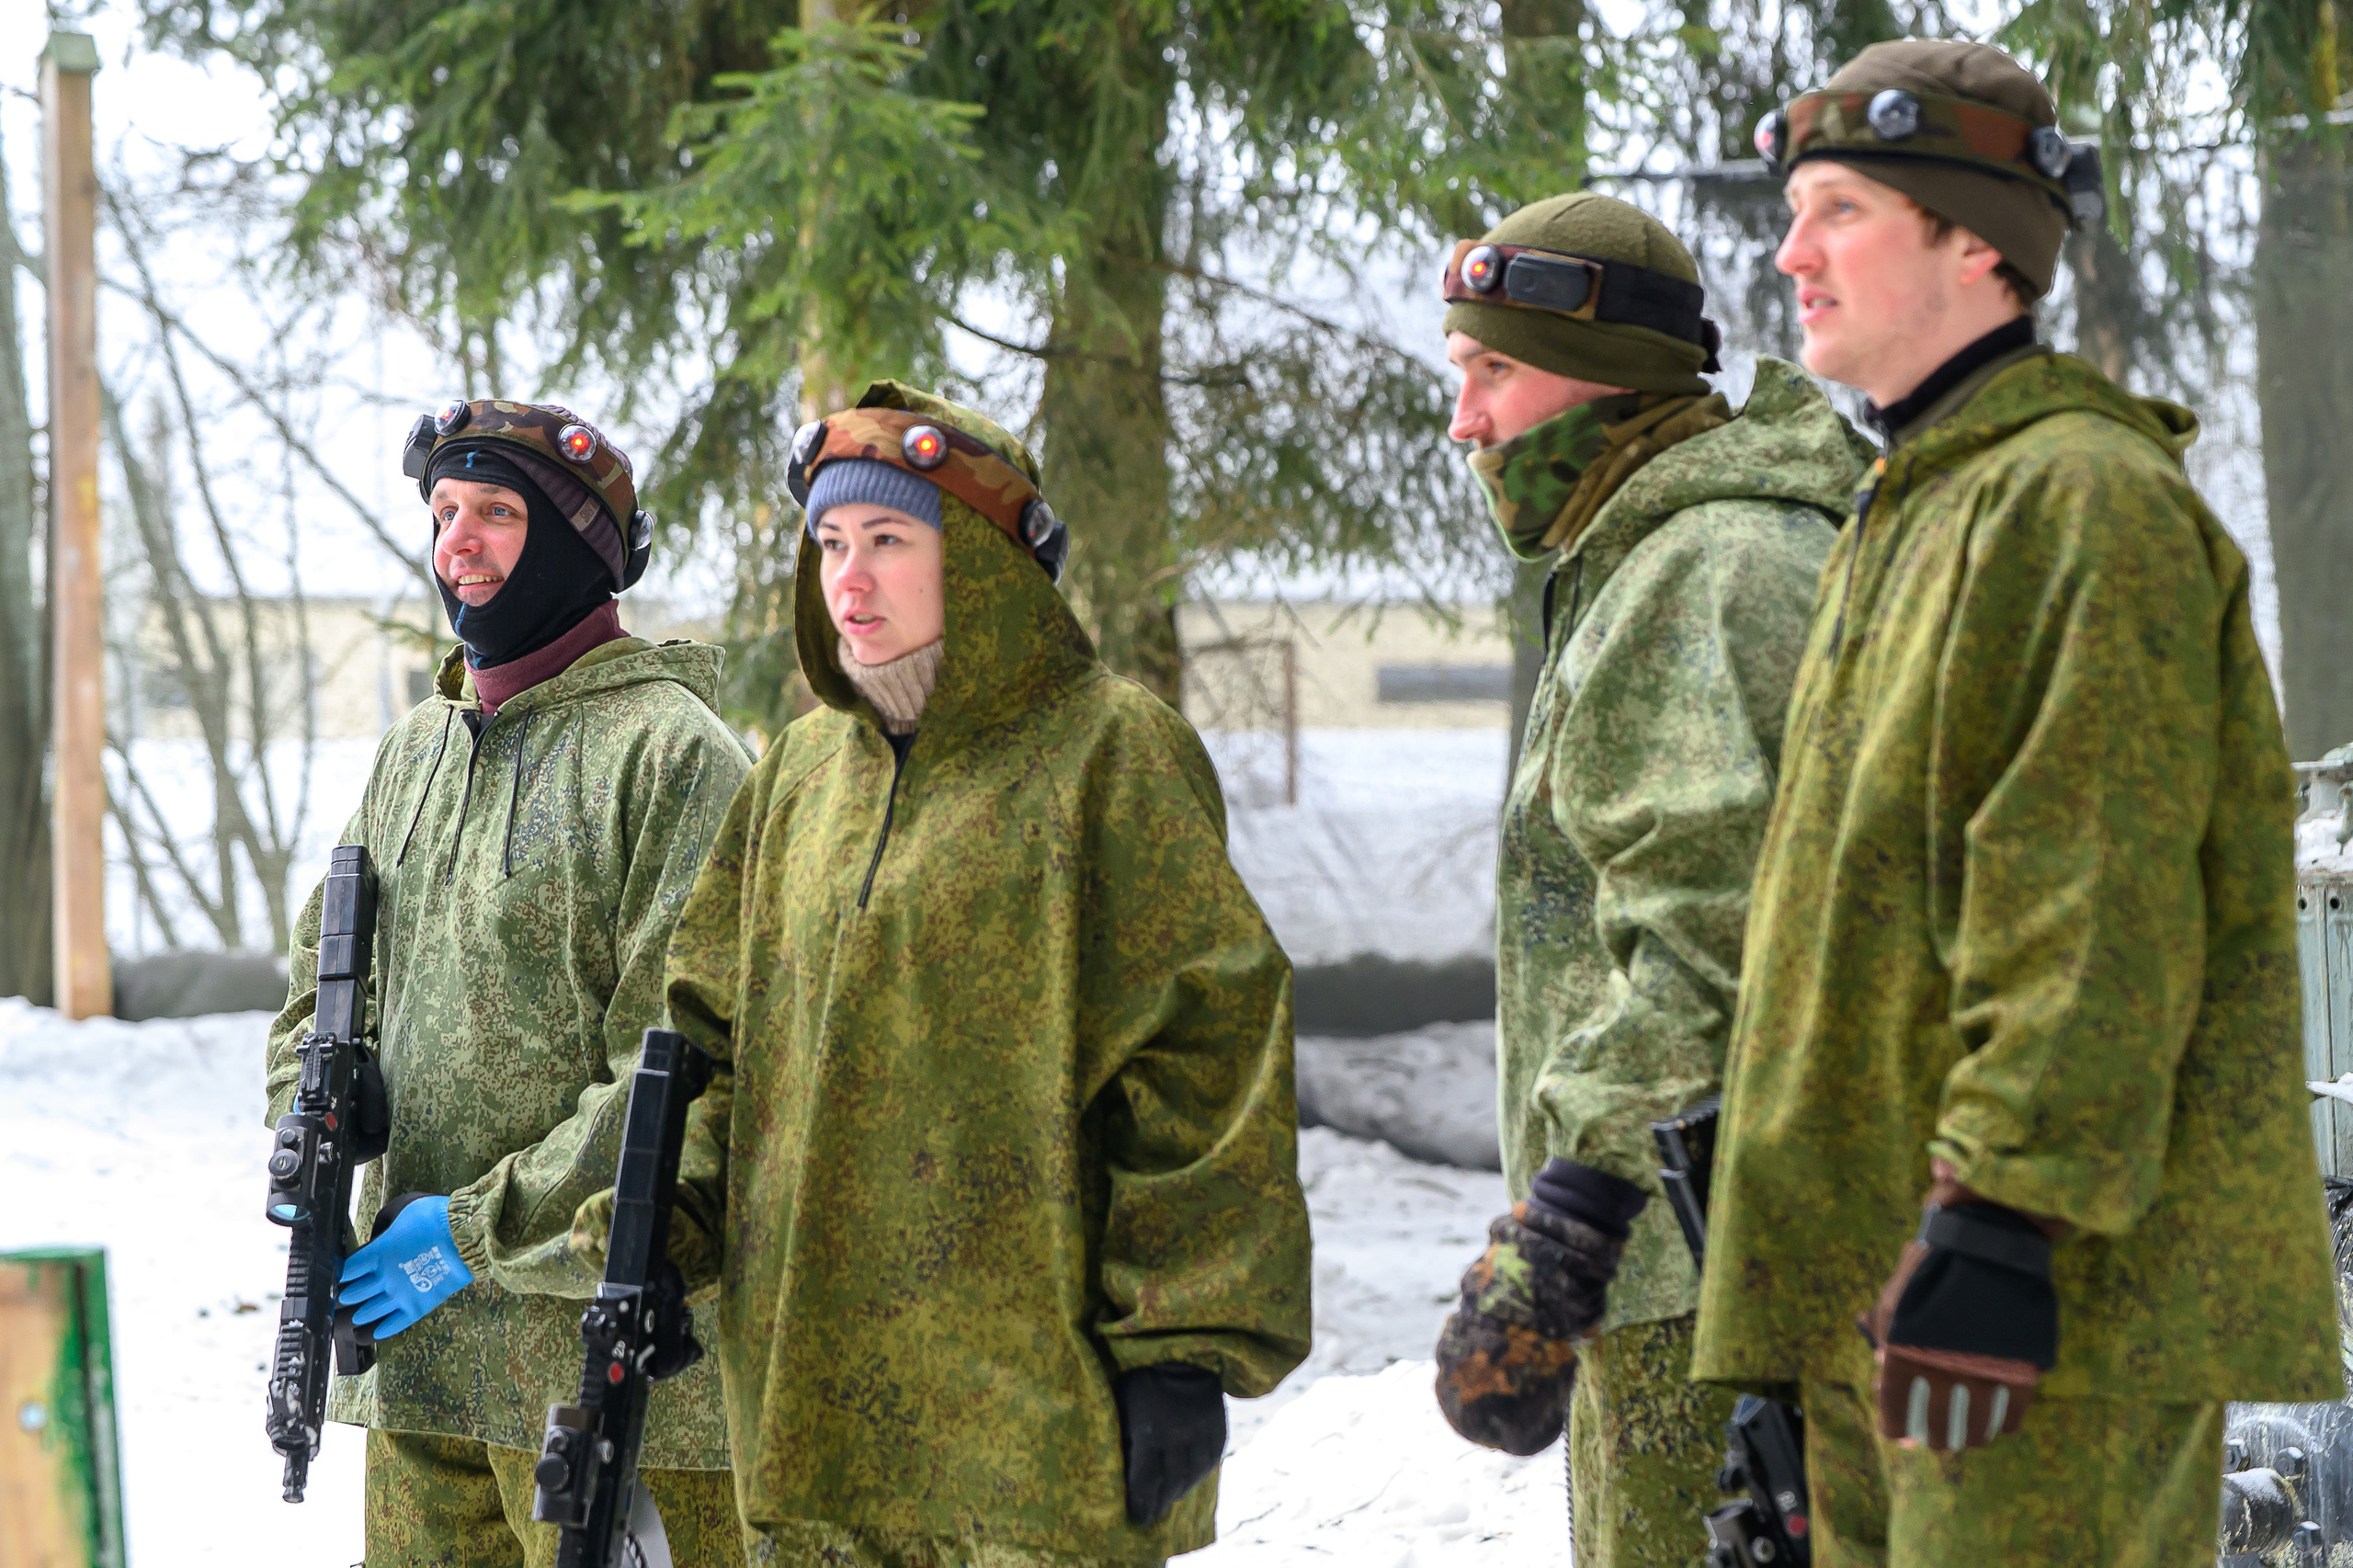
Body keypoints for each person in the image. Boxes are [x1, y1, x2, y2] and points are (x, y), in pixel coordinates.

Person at [1690, 39, 2342, 1566]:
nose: (1791, 253)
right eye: (1793, 213)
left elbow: (2094, 900)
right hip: (1889, 1296)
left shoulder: (2083, 506)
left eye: (1840, 209)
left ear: (1978, 240)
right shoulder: (1910, 508)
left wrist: (2003, 1216)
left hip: (2045, 1319)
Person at [573, 380, 1313, 1568]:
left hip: (1033, 1439)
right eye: (828, 543)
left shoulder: (1109, 752)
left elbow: (1204, 1059)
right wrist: (667, 1232)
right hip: (813, 1434)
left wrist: (1181, 1340)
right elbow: (713, 1053)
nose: (848, 579)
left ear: (978, 557)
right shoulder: (800, 776)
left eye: (888, 540)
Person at [1428, 190, 1870, 1567]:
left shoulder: (1709, 569)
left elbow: (1708, 947)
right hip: (1694, 1265)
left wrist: (1565, 1226)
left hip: (1708, 1273)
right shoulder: (1658, 556)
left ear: (1610, 376)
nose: (1467, 422)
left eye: (1493, 369)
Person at [266, 399, 752, 1566]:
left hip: (616, 1383)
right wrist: (306, 1121)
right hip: (421, 1374)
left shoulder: (678, 758)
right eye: (442, 513)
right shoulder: (413, 753)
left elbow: (678, 1080)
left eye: (494, 512)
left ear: (584, 546)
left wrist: (467, 1237)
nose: (458, 543)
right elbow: (312, 996)